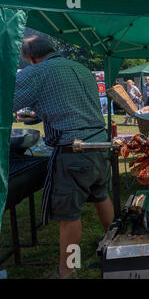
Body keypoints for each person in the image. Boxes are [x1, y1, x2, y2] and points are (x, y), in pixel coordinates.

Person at [14, 36, 113, 279]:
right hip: (100, 144)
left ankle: (67, 271)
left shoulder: (37, 71)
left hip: (75, 151)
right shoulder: (81, 68)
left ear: (30, 58)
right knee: (101, 196)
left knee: (70, 215)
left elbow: (7, 100)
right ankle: (115, 249)